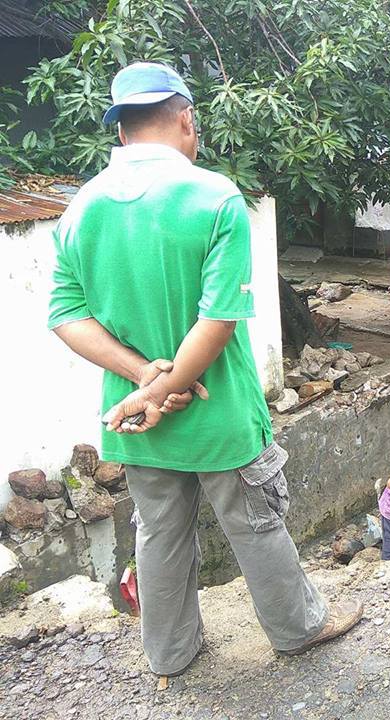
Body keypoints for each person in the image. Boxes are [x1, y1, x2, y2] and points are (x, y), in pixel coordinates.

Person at [47, 62, 361, 676]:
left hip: (137, 419)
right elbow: (218, 321)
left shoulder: (78, 210)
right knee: (255, 521)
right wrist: (168, 386)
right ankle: (298, 629)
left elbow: (66, 315)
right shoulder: (214, 196)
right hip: (217, 412)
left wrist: (145, 382)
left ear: (120, 133)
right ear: (187, 119)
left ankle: (169, 653)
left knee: (158, 533)